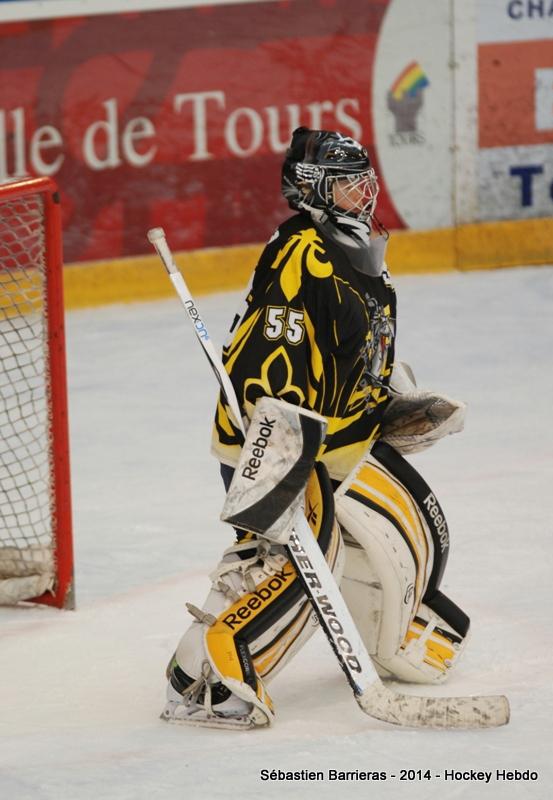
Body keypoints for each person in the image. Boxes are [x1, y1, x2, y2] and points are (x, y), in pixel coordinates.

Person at [161, 127, 470, 729]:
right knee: (301, 560)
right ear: (314, 190)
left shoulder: (351, 245)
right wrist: (281, 463)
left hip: (336, 440)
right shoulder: (303, 255)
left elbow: (352, 354)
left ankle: (400, 624)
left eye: (364, 179)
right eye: (347, 182)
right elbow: (267, 372)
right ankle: (210, 676)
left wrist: (390, 400)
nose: (363, 191)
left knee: (410, 518)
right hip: (280, 443)